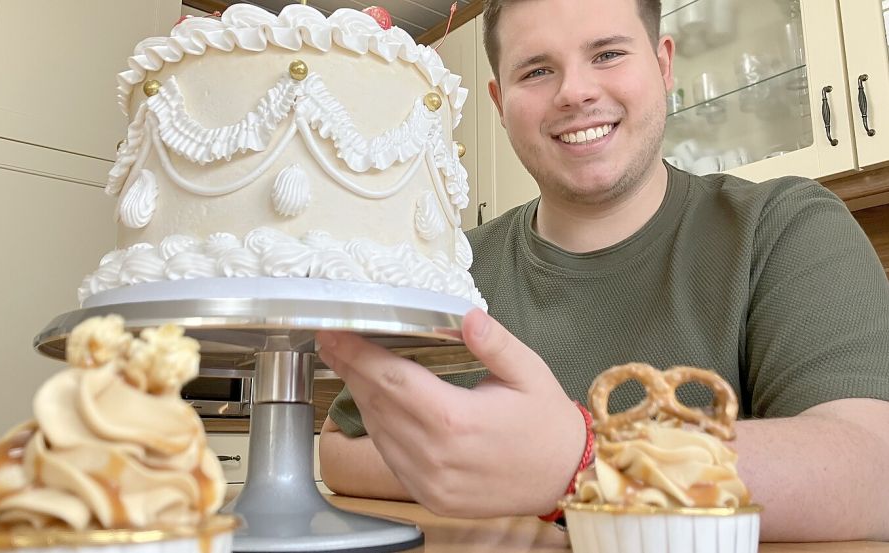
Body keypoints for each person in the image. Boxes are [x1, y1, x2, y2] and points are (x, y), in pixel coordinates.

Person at [315, 0, 889, 542]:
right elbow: (341, 449)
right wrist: (510, 465)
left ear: (664, 64)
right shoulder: (451, 267)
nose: (576, 92)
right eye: (537, 70)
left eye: (608, 54)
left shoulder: (783, 227)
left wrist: (584, 461)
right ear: (498, 101)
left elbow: (871, 470)